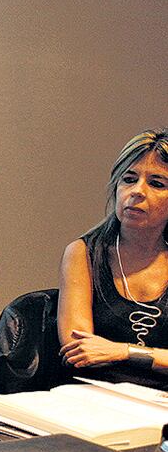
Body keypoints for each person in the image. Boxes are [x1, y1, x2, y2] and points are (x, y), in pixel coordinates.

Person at [58, 128, 168, 389]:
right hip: (98, 396)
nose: (137, 191)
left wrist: (123, 352)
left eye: (156, 183)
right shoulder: (83, 253)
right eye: (128, 179)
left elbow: (109, 352)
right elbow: (79, 349)